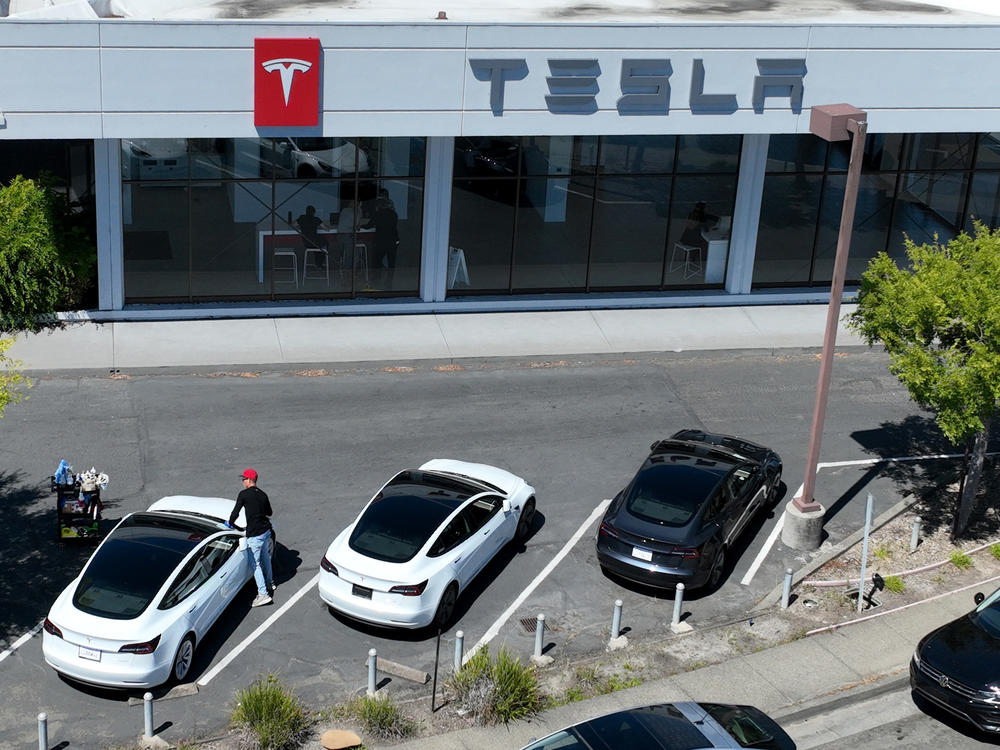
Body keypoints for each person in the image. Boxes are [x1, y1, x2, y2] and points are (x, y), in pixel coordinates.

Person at [228, 468, 275, 607]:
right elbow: (269, 512)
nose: (242, 481)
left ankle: (263, 594)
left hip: (254, 534)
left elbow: (235, 512)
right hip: (266, 531)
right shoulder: (263, 495)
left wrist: (230, 523)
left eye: (243, 479)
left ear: (249, 480)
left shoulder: (244, 495)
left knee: (256, 564)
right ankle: (270, 582)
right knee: (265, 556)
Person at [372, 188, 399, 287]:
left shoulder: (379, 212)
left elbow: (372, 223)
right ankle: (388, 282)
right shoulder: (393, 214)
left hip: (382, 239)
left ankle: (377, 279)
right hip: (392, 238)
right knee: (391, 261)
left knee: (377, 260)